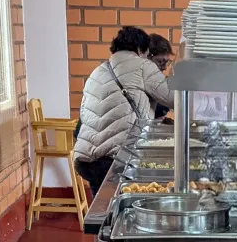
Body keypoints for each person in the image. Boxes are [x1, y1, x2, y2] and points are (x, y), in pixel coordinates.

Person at [74, 26, 173, 192]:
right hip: (116, 157)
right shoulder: (142, 66)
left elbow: (84, 114)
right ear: (142, 49)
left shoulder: (98, 71)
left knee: (102, 208)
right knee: (120, 209)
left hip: (86, 159)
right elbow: (173, 98)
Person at [147, 34, 174, 120]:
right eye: (160, 61)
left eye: (166, 62)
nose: (164, 67)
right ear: (148, 57)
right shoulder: (146, 77)